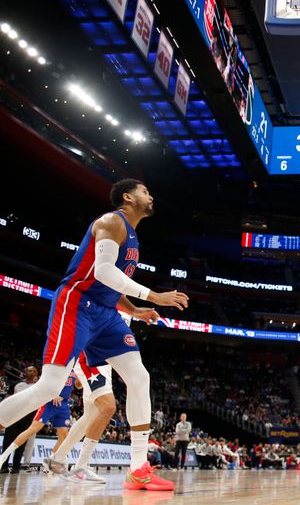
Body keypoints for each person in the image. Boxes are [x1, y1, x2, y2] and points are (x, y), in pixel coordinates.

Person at [0, 179, 188, 492]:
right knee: (49, 386)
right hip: (77, 305)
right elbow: (101, 272)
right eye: (145, 191)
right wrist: (153, 297)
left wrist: (136, 310)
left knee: (140, 379)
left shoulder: (133, 236)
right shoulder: (112, 221)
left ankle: (139, 468)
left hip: (106, 313)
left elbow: (112, 285)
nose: (150, 195)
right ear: (127, 197)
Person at [45, 351, 117, 483]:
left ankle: (58, 458)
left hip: (102, 364)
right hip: (93, 360)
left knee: (89, 417)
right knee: (108, 407)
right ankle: (79, 465)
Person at [0, 372, 77, 469]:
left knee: (64, 435)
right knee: (32, 429)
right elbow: (46, 381)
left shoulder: (76, 367)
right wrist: (53, 393)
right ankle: (3, 456)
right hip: (49, 402)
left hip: (63, 404)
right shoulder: (60, 364)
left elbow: (77, 385)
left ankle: (51, 461)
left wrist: (81, 381)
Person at [0, 366, 38, 473]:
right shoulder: (16, 384)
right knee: (7, 441)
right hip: (13, 417)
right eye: (29, 370)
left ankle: (16, 467)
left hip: (28, 418)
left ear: (36, 374)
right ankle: (4, 466)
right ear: (25, 372)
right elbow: (7, 399)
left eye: (33, 371)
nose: (31, 372)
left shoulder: (38, 387)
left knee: (21, 443)